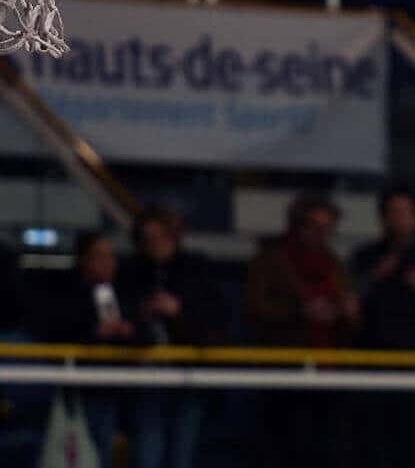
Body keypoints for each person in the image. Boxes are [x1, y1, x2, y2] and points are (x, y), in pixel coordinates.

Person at [244, 193, 360, 468]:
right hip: (285, 370)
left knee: (326, 448)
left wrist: (348, 313)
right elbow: (255, 310)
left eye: (328, 228)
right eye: (313, 226)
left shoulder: (335, 265)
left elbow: (351, 321)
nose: (321, 234)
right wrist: (299, 313)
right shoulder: (270, 260)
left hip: (328, 370)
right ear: (296, 225)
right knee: (284, 448)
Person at [350, 187, 415, 468]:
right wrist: (375, 277)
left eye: (405, 213)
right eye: (393, 212)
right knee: (373, 445)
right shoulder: (365, 257)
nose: (399, 219)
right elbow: (348, 307)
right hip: (371, 364)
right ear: (382, 217)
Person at [119, 205, 228, 468]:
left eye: (161, 237)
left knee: (182, 453)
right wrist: (142, 313)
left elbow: (216, 319)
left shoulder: (197, 271)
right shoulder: (131, 273)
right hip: (145, 373)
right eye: (148, 239)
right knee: (147, 451)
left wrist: (178, 310)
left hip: (188, 373)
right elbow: (121, 318)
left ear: (175, 237)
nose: (155, 245)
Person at [39, 233, 135, 463]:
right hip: (75, 391)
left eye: (110, 256)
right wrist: (93, 333)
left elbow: (145, 334)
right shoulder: (64, 293)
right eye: (98, 256)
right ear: (83, 259)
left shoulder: (125, 293)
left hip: (116, 390)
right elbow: (54, 333)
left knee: (105, 453)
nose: (106, 262)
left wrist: (129, 331)